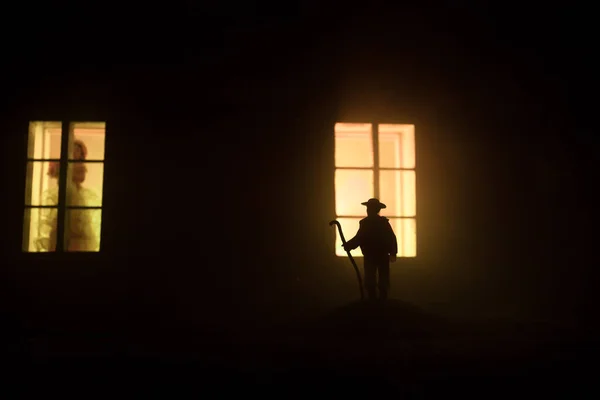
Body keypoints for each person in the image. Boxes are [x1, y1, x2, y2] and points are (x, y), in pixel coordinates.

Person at [35, 139, 101, 252]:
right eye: (74, 149)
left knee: (77, 224)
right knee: (61, 222)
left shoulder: (79, 167)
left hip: (74, 195)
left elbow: (79, 178)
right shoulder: (62, 163)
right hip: (65, 194)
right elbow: (55, 175)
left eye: (79, 151)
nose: (76, 152)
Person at [343, 198, 398, 300]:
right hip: (374, 255)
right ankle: (374, 299)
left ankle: (381, 299)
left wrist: (349, 245)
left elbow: (390, 237)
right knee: (371, 278)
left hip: (377, 255)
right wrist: (349, 245)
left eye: (370, 208)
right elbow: (360, 237)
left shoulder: (374, 223)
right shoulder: (373, 223)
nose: (368, 210)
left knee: (381, 278)